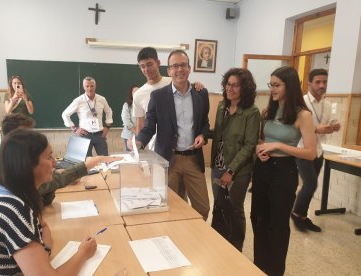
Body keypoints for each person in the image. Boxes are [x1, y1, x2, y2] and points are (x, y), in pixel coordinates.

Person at [0, 129, 98, 275]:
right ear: (28, 165)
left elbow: (42, 227)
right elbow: (43, 233)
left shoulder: (4, 191)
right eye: (49, 157)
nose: (55, 163)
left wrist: (44, 251)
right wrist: (82, 253)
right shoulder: (14, 210)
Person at [251, 66, 317, 276]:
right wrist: (259, 149)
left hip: (284, 171)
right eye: (271, 85)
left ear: (290, 86)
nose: (272, 89)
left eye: (277, 85)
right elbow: (262, 140)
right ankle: (258, 265)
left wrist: (278, 146)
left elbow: (310, 153)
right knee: (258, 218)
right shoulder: (268, 111)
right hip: (263, 167)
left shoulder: (303, 115)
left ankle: (275, 270)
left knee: (277, 224)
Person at [134, 49, 210, 220]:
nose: (179, 69)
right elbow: (148, 127)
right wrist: (138, 142)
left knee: (203, 207)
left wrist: (203, 136)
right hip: (169, 160)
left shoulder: (201, 94)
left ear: (189, 68)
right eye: (175, 66)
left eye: (183, 65)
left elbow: (205, 123)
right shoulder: (158, 96)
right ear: (169, 70)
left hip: (193, 159)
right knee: (170, 208)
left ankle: (194, 237)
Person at [0, 113, 119, 206]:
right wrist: (92, 162)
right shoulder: (11, 163)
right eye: (27, 133)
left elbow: (45, 194)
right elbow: (50, 184)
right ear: (14, 137)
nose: (32, 137)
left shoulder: (10, 152)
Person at [210, 68, 260, 251]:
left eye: (235, 85)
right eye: (228, 84)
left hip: (238, 170)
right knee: (219, 204)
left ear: (244, 88)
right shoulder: (223, 106)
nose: (230, 89)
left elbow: (250, 145)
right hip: (217, 165)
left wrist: (231, 170)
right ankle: (220, 243)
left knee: (234, 207)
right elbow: (219, 135)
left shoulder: (251, 112)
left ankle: (236, 246)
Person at [291, 68, 340, 232]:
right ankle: (298, 214)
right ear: (310, 82)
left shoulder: (327, 104)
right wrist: (316, 129)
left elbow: (334, 122)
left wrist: (334, 126)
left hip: (319, 150)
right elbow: (294, 129)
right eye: (318, 82)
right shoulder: (301, 102)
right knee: (311, 184)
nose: (322, 85)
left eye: (324, 82)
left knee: (310, 184)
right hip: (302, 148)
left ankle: (300, 214)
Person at [62, 76, 113, 156]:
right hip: (85, 135)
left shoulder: (102, 99)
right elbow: (65, 114)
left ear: (95, 86)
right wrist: (74, 129)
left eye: (92, 86)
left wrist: (107, 127)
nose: (90, 89)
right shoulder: (79, 100)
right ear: (83, 87)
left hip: (100, 135)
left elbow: (109, 111)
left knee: (105, 160)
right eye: (87, 86)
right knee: (87, 163)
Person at [121, 84, 139, 151]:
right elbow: (126, 121)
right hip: (129, 135)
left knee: (142, 156)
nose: (137, 93)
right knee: (130, 156)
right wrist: (137, 132)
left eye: (138, 91)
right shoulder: (126, 105)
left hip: (141, 135)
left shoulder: (143, 104)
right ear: (131, 94)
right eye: (134, 91)